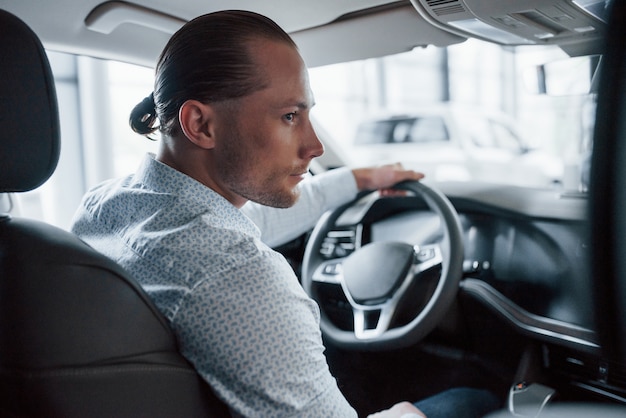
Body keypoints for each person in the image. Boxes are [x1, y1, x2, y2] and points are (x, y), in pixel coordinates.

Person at [71, 10, 499, 418]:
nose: (315, 147)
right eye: (290, 116)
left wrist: (357, 178)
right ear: (200, 124)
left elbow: (249, 222)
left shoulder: (108, 206)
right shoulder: (236, 273)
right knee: (475, 396)